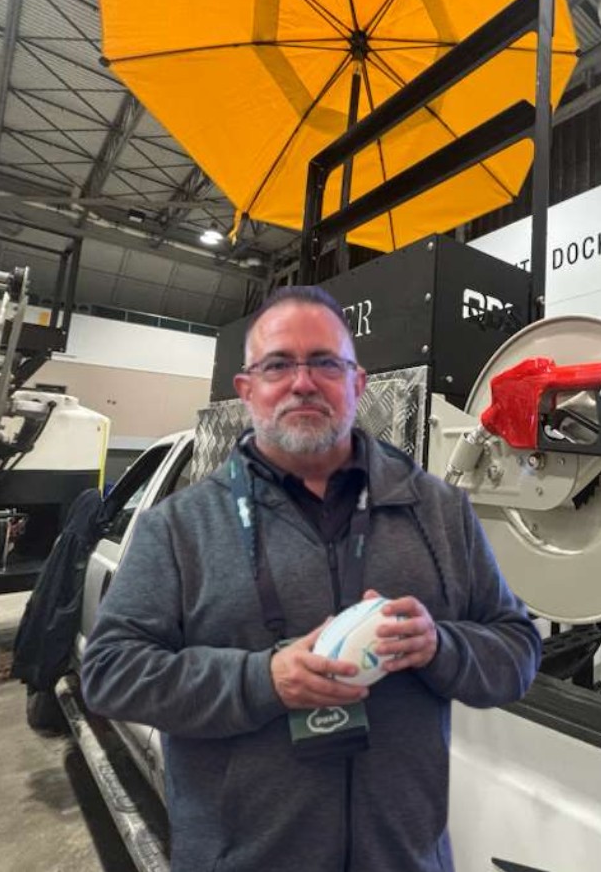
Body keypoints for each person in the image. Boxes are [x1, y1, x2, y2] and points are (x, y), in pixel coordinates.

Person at [81, 285, 541, 872]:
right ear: (246, 390)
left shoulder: (440, 512)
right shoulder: (181, 527)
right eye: (278, 365)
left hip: (403, 859)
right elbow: (111, 673)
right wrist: (263, 679)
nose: (303, 382)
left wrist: (439, 645)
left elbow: (518, 649)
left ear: (357, 384)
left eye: (326, 363)